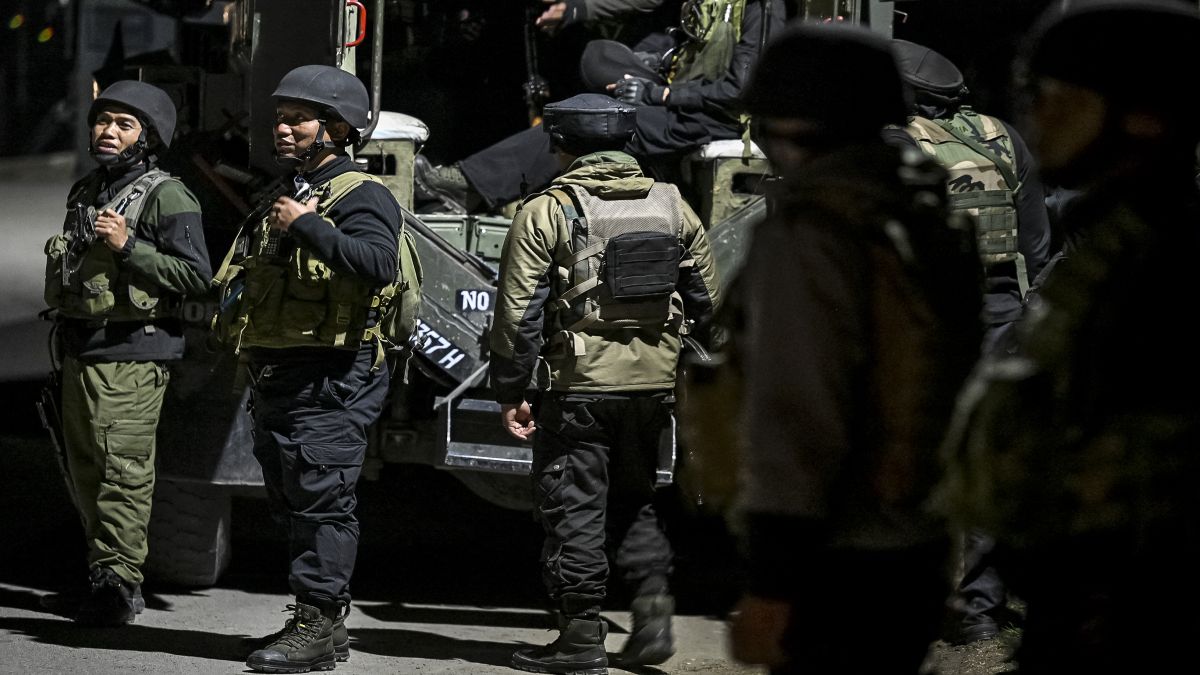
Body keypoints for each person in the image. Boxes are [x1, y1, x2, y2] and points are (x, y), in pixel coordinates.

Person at [938, 1, 1200, 672]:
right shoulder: (1106, 247)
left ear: (1142, 117)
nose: (1036, 118)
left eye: (1059, 98)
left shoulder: (1161, 270)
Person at [726, 23, 983, 673]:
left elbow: (797, 410)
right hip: (921, 540)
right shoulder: (931, 214)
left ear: (788, 125)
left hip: (836, 552)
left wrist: (772, 580)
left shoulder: (812, 228)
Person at [489, 93, 722, 674]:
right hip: (653, 389)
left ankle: (580, 640)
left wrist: (511, 391)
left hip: (578, 389)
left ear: (561, 145)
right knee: (639, 499)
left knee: (575, 508)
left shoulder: (547, 209)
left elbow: (517, 315)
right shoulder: (673, 204)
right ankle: (652, 615)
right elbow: (708, 301)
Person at [227, 65, 406, 673]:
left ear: (335, 127)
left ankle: (319, 623)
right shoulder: (292, 190)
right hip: (286, 372)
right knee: (297, 499)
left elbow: (379, 263)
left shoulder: (360, 194)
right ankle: (321, 623)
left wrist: (306, 227)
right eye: (279, 117)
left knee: (323, 500)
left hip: (332, 375)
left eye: (296, 119)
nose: (282, 128)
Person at [890, 38, 1053, 645]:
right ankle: (981, 608)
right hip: (1000, 317)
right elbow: (1037, 248)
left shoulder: (893, 145)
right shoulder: (1000, 137)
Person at [42, 80, 211, 626]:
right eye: (103, 121)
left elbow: (196, 277)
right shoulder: (88, 189)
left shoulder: (168, 195)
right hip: (81, 352)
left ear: (150, 136)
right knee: (87, 471)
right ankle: (101, 573)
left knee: (123, 474)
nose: (107, 132)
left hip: (132, 358)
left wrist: (128, 247)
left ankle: (118, 587)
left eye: (124, 124)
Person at [417, 0, 784, 214]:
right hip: (684, 102)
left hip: (715, 118)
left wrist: (661, 97)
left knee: (589, 121)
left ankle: (467, 186)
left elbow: (743, 90)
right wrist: (651, 64)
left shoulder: (762, 8)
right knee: (598, 58)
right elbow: (675, 41)